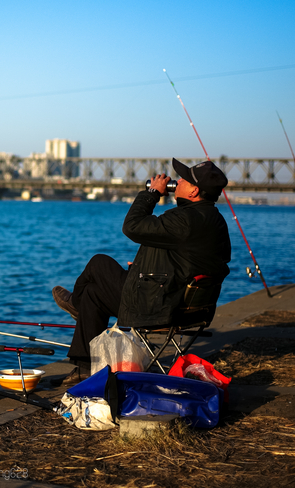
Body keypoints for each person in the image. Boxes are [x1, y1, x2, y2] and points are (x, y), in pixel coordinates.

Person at [52, 158, 232, 379]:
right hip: (190, 307)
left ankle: (75, 304)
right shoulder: (215, 220)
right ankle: (84, 368)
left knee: (99, 263)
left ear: (194, 191)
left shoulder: (184, 219)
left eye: (183, 179)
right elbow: (190, 260)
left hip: (160, 309)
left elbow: (132, 227)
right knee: (93, 294)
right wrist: (144, 267)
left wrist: (153, 193)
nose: (176, 181)